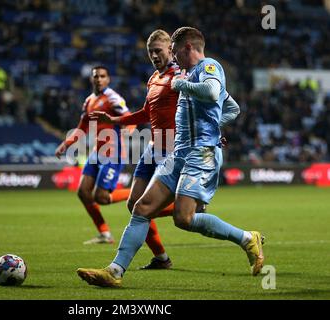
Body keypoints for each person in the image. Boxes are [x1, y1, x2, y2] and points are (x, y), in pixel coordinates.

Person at [77, 27, 264, 287]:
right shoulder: (168, 76)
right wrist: (212, 123)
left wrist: (208, 127)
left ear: (185, 47)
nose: (170, 57)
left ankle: (246, 238)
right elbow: (230, 107)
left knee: (183, 219)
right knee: (140, 208)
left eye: (171, 51)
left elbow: (214, 95)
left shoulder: (207, 67)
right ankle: (114, 271)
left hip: (200, 153)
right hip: (176, 151)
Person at [90, 30, 178, 269]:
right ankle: (161, 258)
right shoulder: (153, 79)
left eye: (158, 51)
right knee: (133, 204)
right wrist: (115, 120)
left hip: (172, 149)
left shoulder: (181, 77)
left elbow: (199, 108)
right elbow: (146, 114)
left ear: (171, 49)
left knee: (147, 208)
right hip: (152, 148)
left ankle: (185, 209)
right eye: (150, 53)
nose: (154, 56)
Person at [55, 66, 133, 245]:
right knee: (83, 192)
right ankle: (105, 234)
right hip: (96, 153)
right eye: (96, 76)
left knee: (101, 197)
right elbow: (82, 127)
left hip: (112, 153)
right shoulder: (89, 101)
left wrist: (129, 129)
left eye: (102, 76)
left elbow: (128, 116)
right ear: (91, 79)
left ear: (108, 79)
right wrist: (65, 144)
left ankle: (139, 192)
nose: (99, 79)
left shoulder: (113, 97)